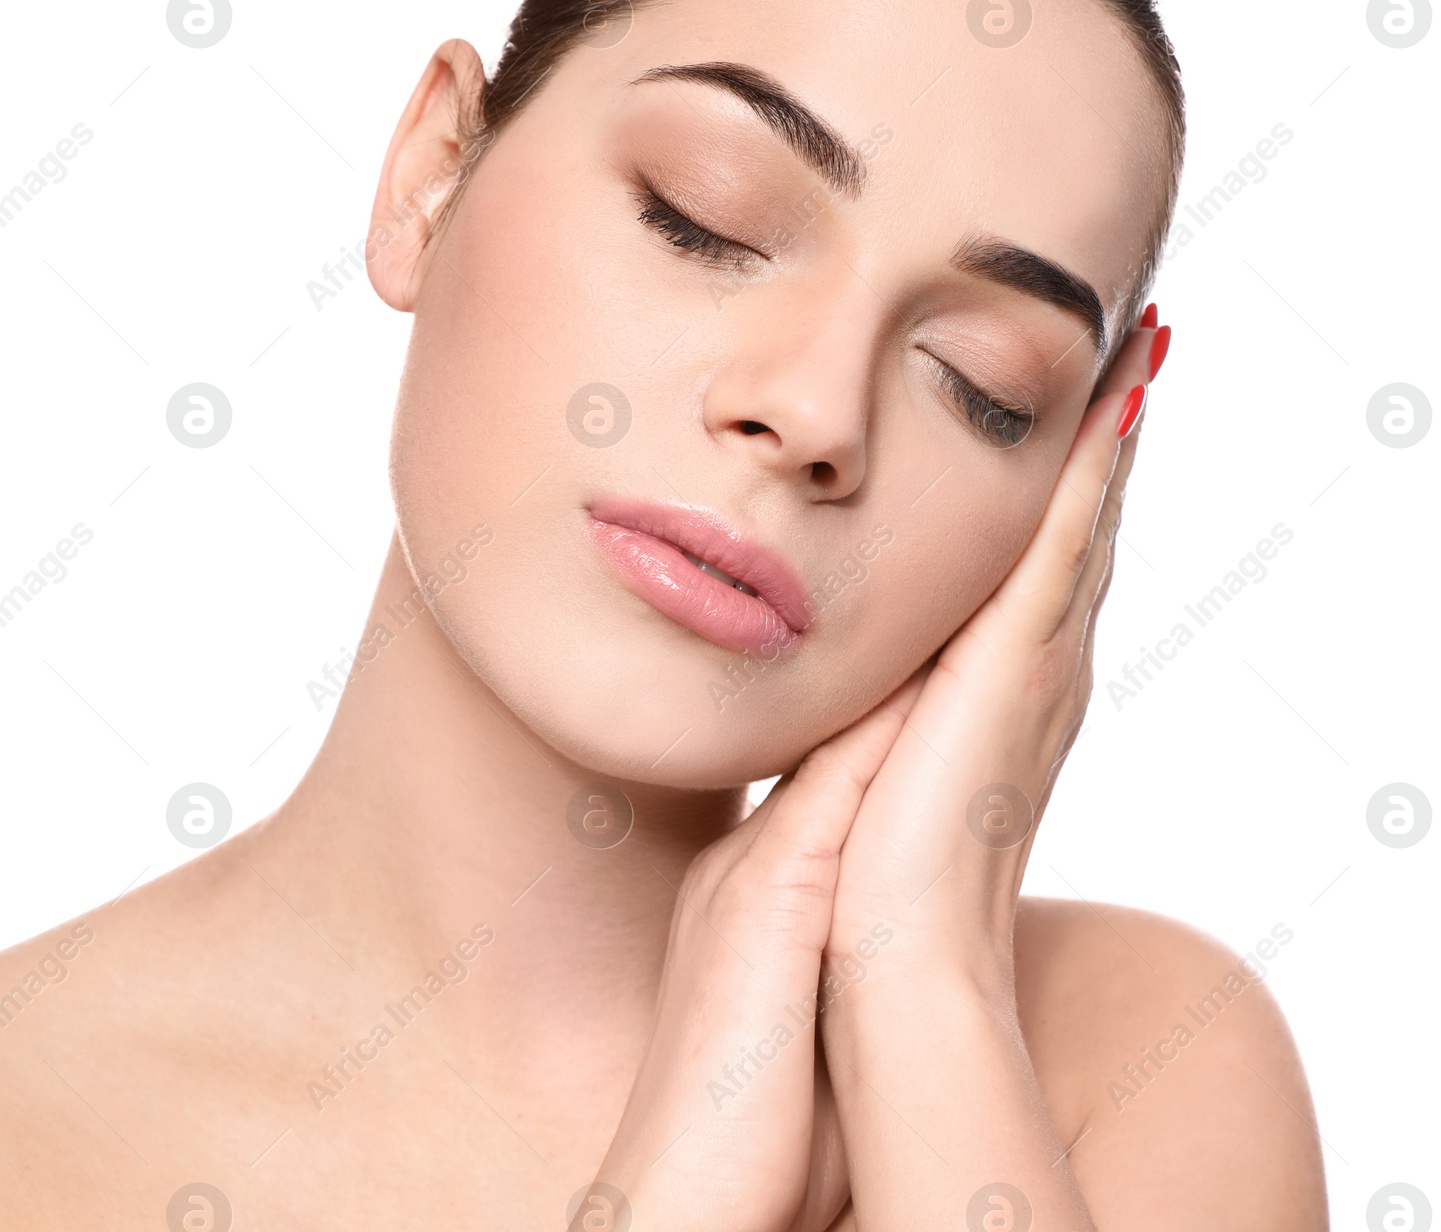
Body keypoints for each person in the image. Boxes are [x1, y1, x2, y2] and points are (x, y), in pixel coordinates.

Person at [0, 1, 1328, 1227]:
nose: (814, 410)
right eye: (705, 219)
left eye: (982, 385)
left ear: (1078, 472)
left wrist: (923, 986)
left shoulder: (1127, 1069)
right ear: (433, 171)